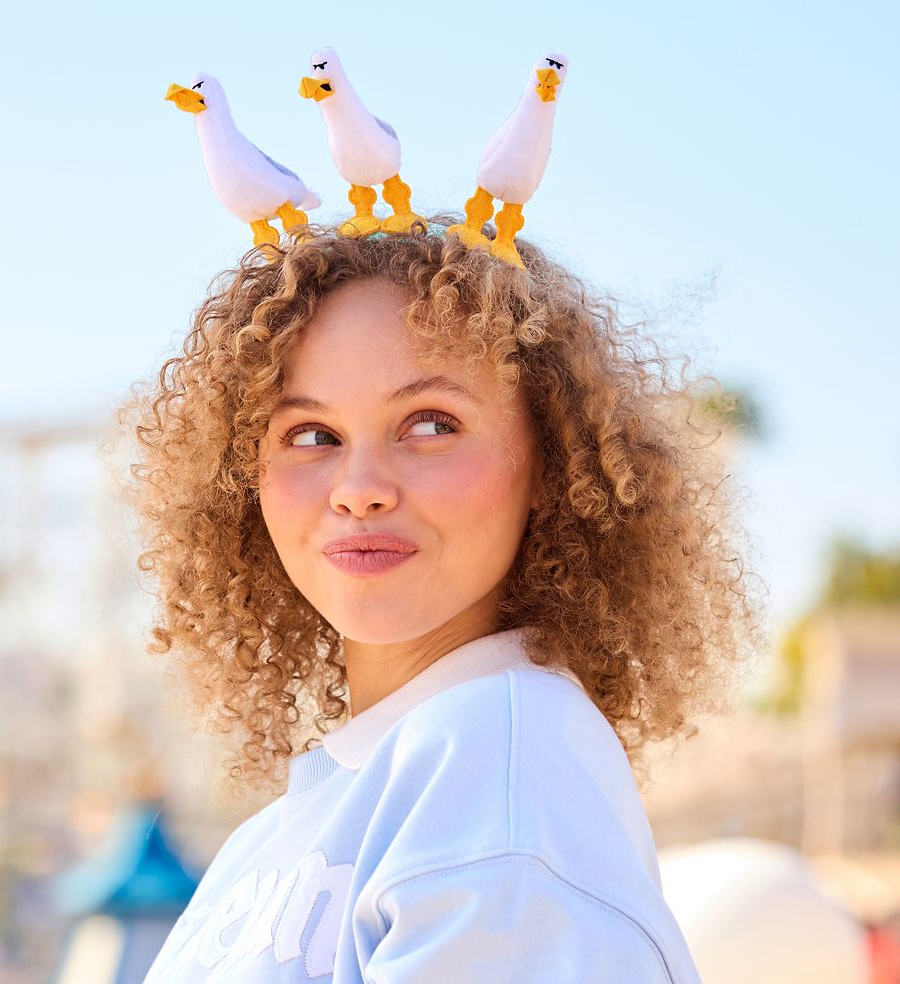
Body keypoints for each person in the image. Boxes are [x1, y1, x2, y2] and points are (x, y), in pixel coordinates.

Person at [125, 218, 765, 982]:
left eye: (430, 425)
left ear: (550, 463)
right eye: (311, 434)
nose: (359, 489)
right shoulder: (267, 842)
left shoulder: (496, 762)